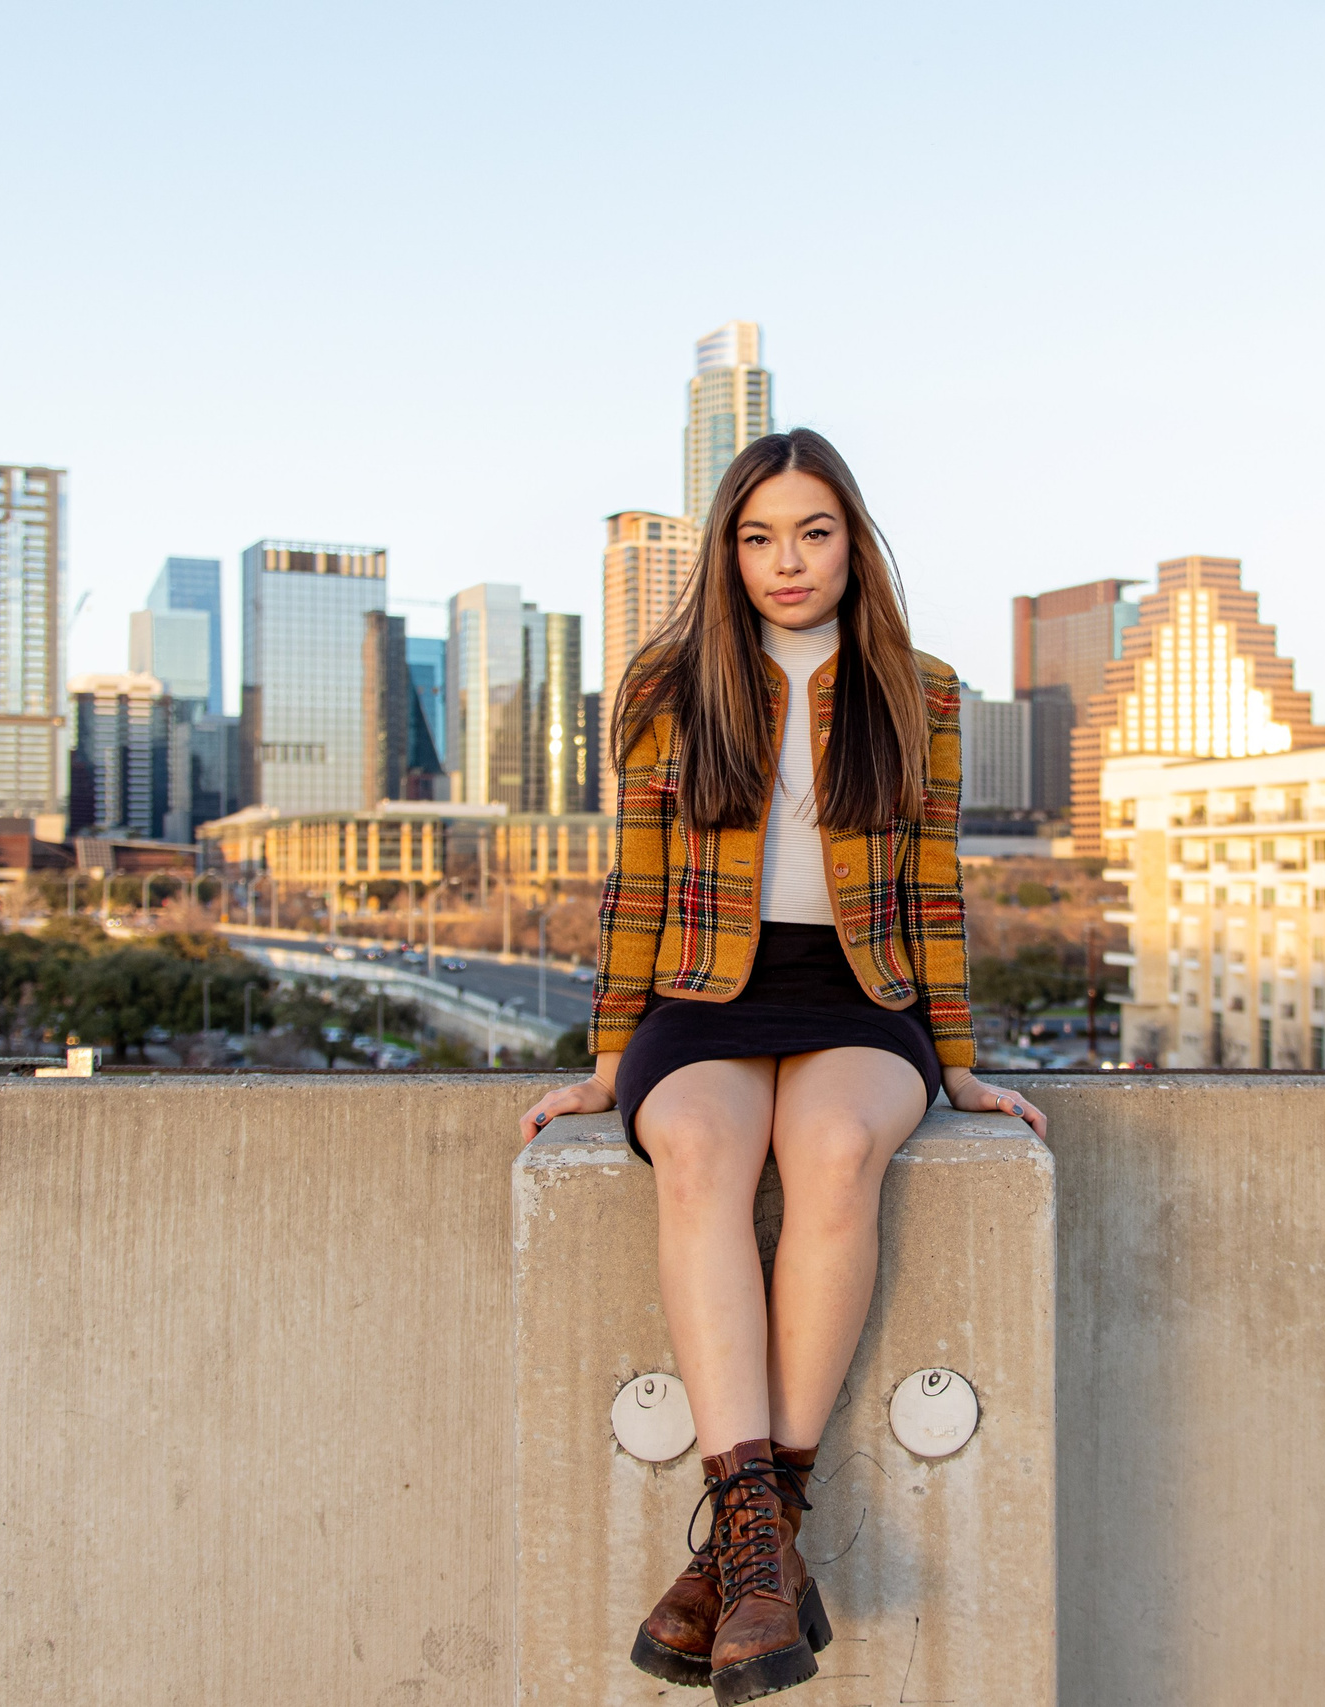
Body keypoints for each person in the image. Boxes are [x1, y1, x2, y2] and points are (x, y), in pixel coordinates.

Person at [519, 428, 1044, 1704]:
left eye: (811, 533)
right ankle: (766, 1545)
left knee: (835, 1147)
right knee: (695, 1147)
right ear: (727, 554)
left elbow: (932, 886)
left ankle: (748, 1547)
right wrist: (604, 1063)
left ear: (852, 542)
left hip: (857, 988)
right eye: (757, 538)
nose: (785, 561)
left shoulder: (917, 692)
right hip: (703, 989)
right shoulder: (664, 687)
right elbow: (635, 887)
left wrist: (961, 1063)